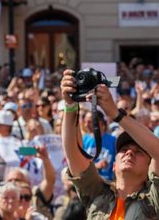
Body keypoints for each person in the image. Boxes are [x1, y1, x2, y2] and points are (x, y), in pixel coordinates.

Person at [60, 70, 159, 219]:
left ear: (150, 166)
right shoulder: (98, 193)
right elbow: (74, 156)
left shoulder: (153, 199)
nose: (129, 153)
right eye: (124, 150)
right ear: (114, 165)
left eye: (139, 152)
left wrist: (115, 114)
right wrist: (70, 105)